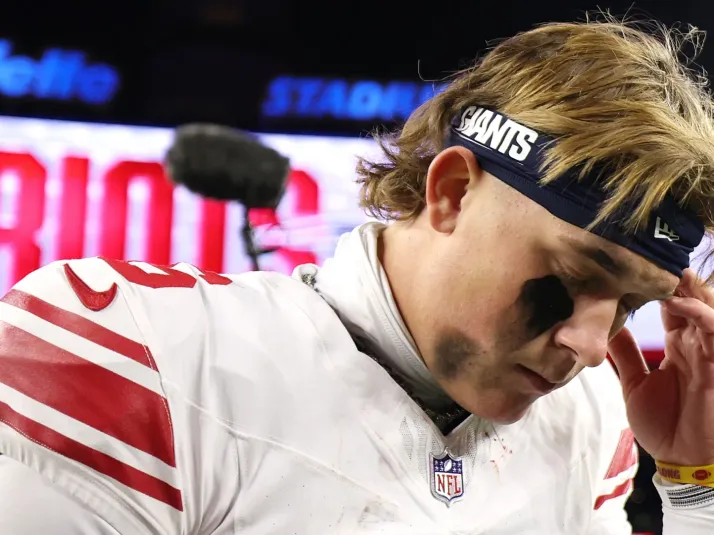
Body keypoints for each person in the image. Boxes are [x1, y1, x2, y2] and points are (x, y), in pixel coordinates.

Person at [1, 16, 714, 535]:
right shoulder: (137, 353)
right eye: (576, 272)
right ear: (452, 193)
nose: (591, 346)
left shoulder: (589, 417)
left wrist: (695, 490)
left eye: (629, 306)